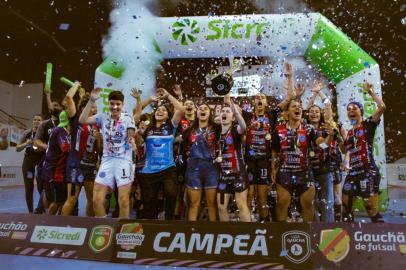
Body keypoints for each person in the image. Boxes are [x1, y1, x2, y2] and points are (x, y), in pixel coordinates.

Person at [271, 98, 334, 222]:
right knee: (283, 203)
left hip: (304, 173)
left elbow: (323, 145)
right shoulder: (278, 129)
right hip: (285, 173)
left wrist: (330, 136)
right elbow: (274, 150)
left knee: (307, 204)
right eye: (294, 106)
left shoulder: (309, 129)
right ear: (287, 112)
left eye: (299, 106)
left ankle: (308, 233)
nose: (298, 108)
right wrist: (273, 167)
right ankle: (281, 232)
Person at [79, 89, 136, 218]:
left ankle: (122, 233)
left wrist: (131, 139)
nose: (114, 107)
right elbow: (82, 120)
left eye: (118, 104)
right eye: (112, 104)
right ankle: (104, 230)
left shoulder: (128, 118)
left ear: (122, 105)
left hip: (124, 161)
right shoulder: (102, 117)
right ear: (108, 104)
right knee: (96, 200)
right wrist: (91, 100)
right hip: (107, 161)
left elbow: (131, 133)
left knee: (123, 201)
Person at [339, 82, 386, 223]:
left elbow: (382, 107)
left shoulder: (368, 125)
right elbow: (344, 149)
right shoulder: (349, 132)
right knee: (345, 206)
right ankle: (349, 235)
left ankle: (380, 233)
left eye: (354, 108)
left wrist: (371, 92)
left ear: (361, 111)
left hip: (368, 171)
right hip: (353, 173)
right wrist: (338, 137)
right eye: (348, 109)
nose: (351, 110)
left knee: (370, 206)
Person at [136, 88, 184, 220]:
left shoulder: (171, 126)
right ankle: (151, 229)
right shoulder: (147, 127)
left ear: (168, 115)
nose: (160, 111)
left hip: (167, 168)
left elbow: (180, 109)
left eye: (163, 110)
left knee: (171, 194)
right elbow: (137, 112)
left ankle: (169, 224)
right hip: (149, 171)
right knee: (149, 203)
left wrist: (168, 95)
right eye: (158, 109)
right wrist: (150, 100)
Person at [62, 83, 101, 216]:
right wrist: (76, 84)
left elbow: (99, 148)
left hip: (91, 167)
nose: (94, 110)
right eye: (92, 107)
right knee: (72, 199)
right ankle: (60, 228)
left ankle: (89, 229)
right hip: (76, 165)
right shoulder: (76, 119)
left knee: (92, 201)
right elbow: (68, 98)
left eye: (95, 108)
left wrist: (99, 137)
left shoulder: (96, 125)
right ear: (83, 107)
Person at [216, 95, 250, 222]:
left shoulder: (236, 130)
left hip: (238, 174)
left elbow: (244, 126)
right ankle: (226, 234)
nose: (224, 113)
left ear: (233, 117)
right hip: (223, 175)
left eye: (227, 111)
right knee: (221, 207)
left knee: (241, 204)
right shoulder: (216, 131)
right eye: (222, 112)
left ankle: (249, 235)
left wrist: (235, 109)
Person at [184, 103, 220, 221]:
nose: (203, 110)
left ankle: (214, 234)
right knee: (194, 204)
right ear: (196, 112)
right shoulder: (189, 130)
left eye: (206, 109)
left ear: (210, 113)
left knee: (212, 204)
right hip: (193, 170)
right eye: (200, 109)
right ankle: (191, 231)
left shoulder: (216, 128)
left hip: (211, 169)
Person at [305, 81, 335, 222]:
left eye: (317, 111)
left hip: (325, 168)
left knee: (327, 203)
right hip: (309, 169)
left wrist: (319, 92)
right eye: (311, 112)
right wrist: (312, 96)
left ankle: (328, 230)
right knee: (312, 202)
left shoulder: (326, 125)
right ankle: (315, 232)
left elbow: (328, 105)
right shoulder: (305, 128)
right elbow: (307, 109)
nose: (314, 113)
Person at [33, 92, 64, 214]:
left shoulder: (66, 124)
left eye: (57, 105)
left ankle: (60, 216)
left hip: (62, 164)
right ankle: (44, 212)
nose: (55, 107)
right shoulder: (44, 124)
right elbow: (36, 141)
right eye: (53, 105)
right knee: (45, 191)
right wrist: (48, 147)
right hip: (47, 164)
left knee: (60, 194)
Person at [41, 111, 71, 215]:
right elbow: (65, 147)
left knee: (59, 200)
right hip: (55, 172)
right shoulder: (60, 131)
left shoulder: (58, 130)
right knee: (56, 202)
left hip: (54, 170)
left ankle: (56, 223)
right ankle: (46, 223)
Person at [16, 114, 43, 213]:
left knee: (42, 188)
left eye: (39, 120)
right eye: (35, 119)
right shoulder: (27, 133)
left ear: (42, 123)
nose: (36, 121)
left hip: (41, 163)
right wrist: (26, 143)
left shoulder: (44, 134)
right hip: (29, 163)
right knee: (29, 188)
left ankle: (40, 209)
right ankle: (30, 212)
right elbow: (17, 148)